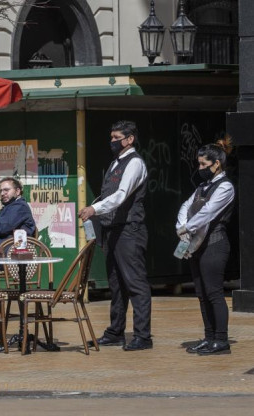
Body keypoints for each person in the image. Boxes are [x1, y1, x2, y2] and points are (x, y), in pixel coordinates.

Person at [78, 120, 151, 351]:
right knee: (116, 284)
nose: (112, 142)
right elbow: (107, 195)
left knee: (135, 283)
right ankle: (116, 331)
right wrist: (95, 209)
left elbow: (121, 195)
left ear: (129, 139)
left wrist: (94, 210)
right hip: (112, 230)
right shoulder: (115, 163)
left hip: (129, 230)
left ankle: (143, 336)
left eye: (116, 138)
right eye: (111, 138)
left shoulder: (135, 163)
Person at [176, 137, 235, 355]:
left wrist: (187, 228)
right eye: (199, 164)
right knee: (201, 293)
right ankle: (209, 337)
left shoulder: (225, 187)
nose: (200, 168)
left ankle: (221, 340)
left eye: (204, 164)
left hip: (214, 244)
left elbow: (208, 212)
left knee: (214, 293)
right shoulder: (202, 186)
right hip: (196, 244)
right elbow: (186, 205)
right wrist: (181, 226)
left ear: (216, 164)